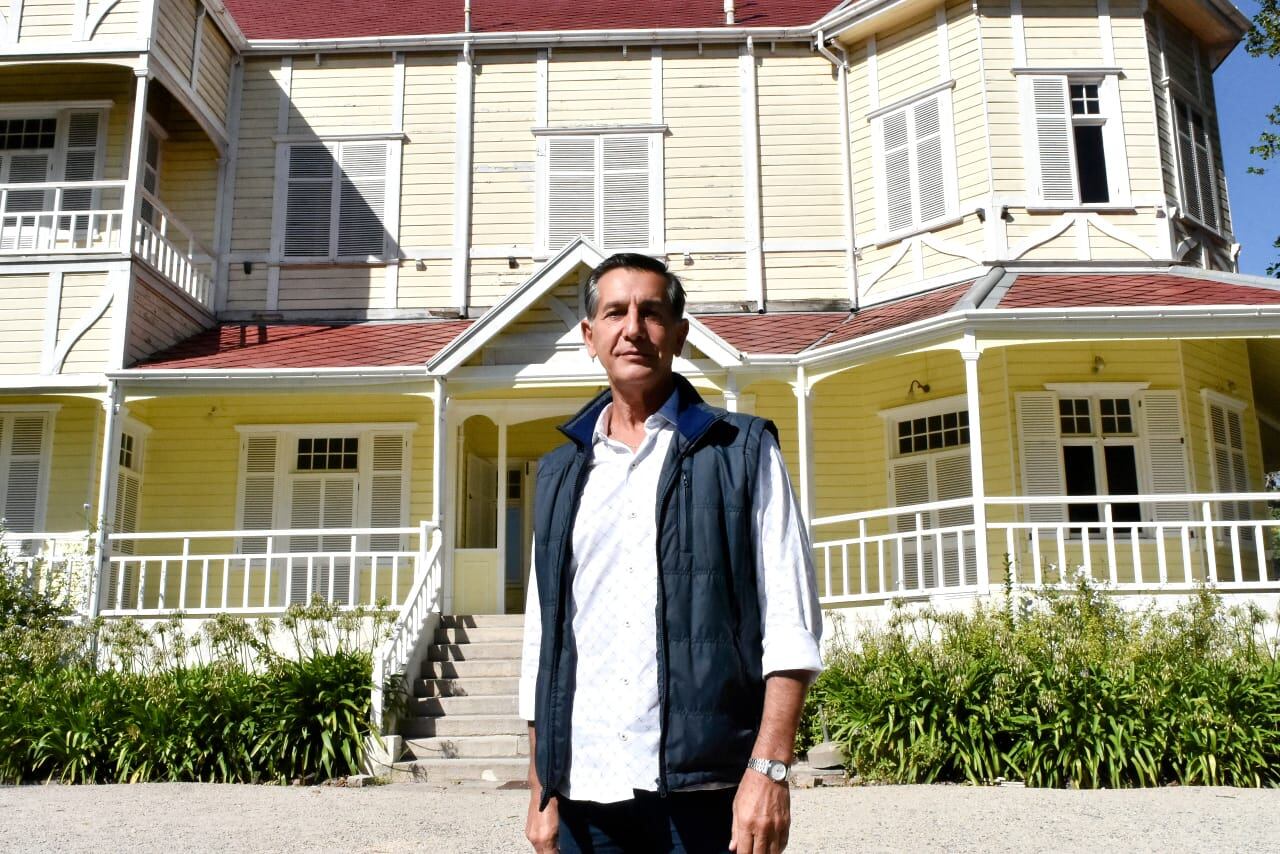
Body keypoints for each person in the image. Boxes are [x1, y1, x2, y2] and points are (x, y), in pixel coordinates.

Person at [519, 253, 822, 854]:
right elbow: (542, 643)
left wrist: (771, 770)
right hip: (584, 791)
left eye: (652, 312)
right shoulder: (558, 473)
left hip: (706, 796)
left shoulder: (741, 451)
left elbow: (791, 623)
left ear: (678, 334)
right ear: (590, 336)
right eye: (615, 312)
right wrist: (539, 789)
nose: (633, 328)